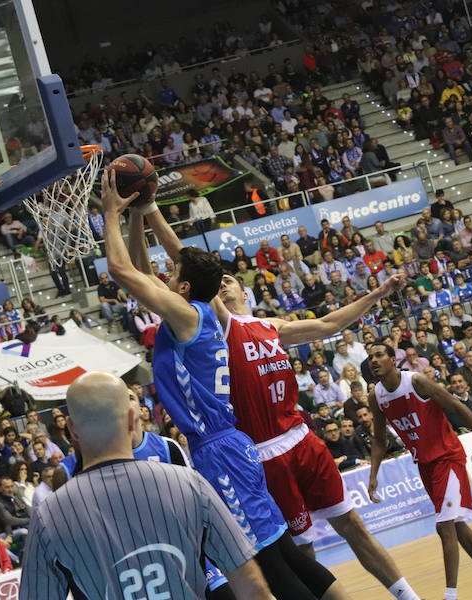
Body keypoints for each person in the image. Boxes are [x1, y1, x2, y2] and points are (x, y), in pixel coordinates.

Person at [100, 169, 344, 600]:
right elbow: (142, 269)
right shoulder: (202, 312)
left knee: (268, 567)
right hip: (229, 445)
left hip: (219, 449)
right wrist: (141, 213)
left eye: (171, 271)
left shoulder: (188, 315)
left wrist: (112, 213)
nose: (164, 274)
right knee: (285, 554)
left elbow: (122, 269)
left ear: (185, 286)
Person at [215, 268, 420, 599]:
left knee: (353, 525)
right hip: (265, 452)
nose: (222, 284)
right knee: (301, 551)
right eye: (217, 281)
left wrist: (379, 292)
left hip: (301, 439)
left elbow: (330, 324)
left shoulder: (272, 327)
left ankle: (409, 596)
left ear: (245, 292)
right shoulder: (220, 326)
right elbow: (196, 270)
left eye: (229, 280)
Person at [19, 372, 273, 599]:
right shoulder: (189, 484)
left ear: (72, 429)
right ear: (132, 418)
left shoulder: (49, 514)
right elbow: (252, 587)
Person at [366, 343, 472, 600]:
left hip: (447, 457)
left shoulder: (416, 381)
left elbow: (457, 407)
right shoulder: (376, 396)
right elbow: (379, 440)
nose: (374, 360)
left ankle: (450, 597)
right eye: (370, 357)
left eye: (379, 355)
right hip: (425, 464)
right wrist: (373, 475)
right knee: (456, 527)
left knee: (444, 526)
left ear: (393, 359)